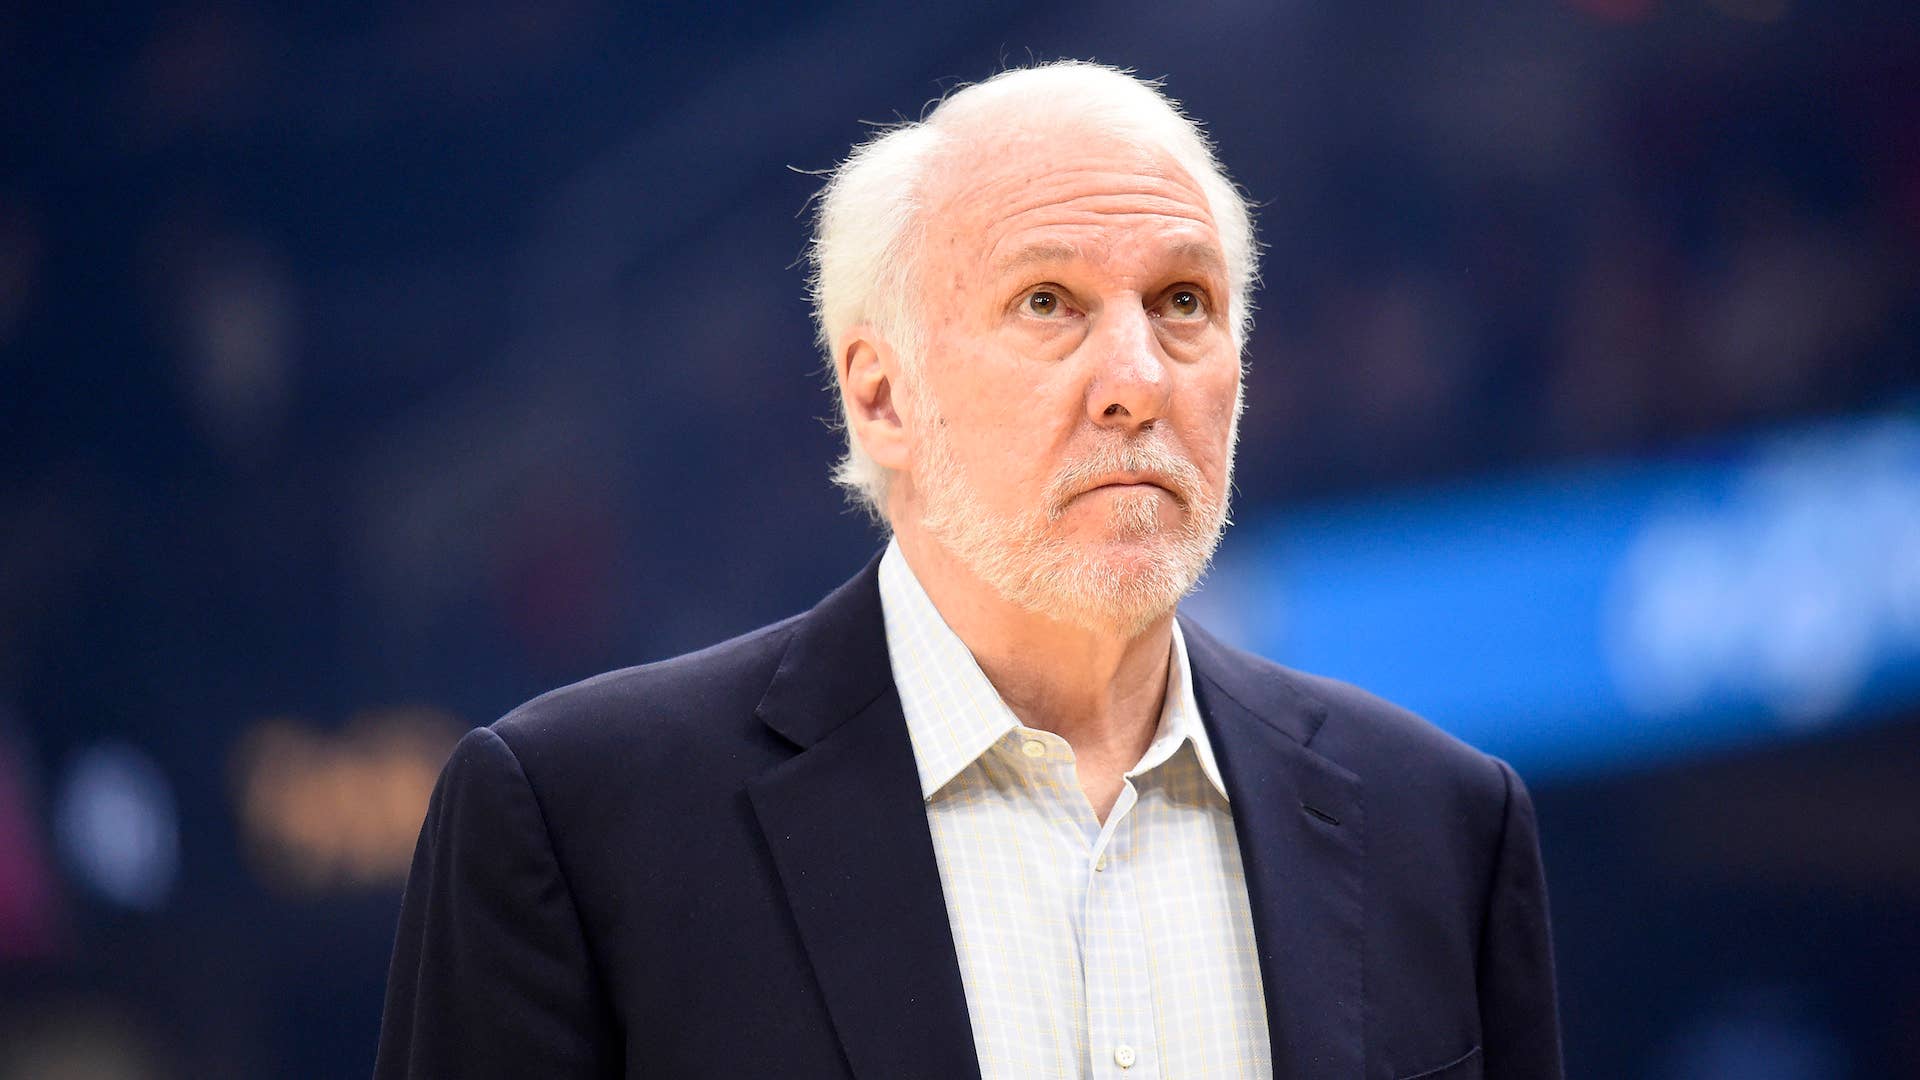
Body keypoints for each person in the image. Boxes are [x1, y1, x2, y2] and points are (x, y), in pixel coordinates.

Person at [375, 62, 1563, 1080]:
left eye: (1183, 302)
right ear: (880, 395)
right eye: (1048, 302)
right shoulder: (577, 825)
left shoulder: (1443, 828)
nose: (1137, 378)